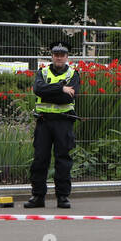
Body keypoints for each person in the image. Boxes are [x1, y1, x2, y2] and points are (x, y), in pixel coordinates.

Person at [25, 43, 80, 209]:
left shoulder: (73, 74)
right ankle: (38, 196)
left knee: (63, 160)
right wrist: (61, 88)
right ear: (51, 56)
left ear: (67, 57)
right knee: (40, 159)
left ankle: (62, 197)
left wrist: (52, 92)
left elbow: (68, 98)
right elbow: (38, 89)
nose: (59, 57)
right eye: (56, 54)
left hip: (63, 121)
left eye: (62, 55)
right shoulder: (42, 72)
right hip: (44, 121)